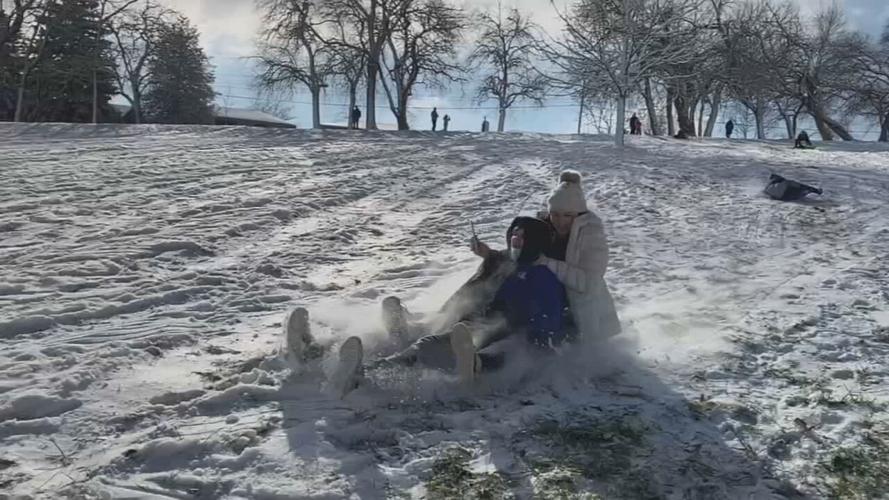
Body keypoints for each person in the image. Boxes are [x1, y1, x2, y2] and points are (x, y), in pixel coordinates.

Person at [327, 216, 570, 395]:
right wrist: (486, 255)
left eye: (523, 237)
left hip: (496, 333)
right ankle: (324, 349)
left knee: (428, 346)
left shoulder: (541, 275)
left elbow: (549, 319)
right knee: (430, 331)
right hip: (473, 321)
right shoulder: (505, 263)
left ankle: (365, 376)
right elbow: (490, 272)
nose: (516, 239)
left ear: (535, 243)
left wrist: (536, 337)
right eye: (515, 234)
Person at [534, 170, 621, 343]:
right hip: (543, 301)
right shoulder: (542, 229)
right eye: (555, 214)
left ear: (578, 215)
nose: (559, 221)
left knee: (542, 277)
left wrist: (547, 263)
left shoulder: (591, 235)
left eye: (567, 215)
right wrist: (488, 253)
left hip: (579, 311)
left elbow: (588, 282)